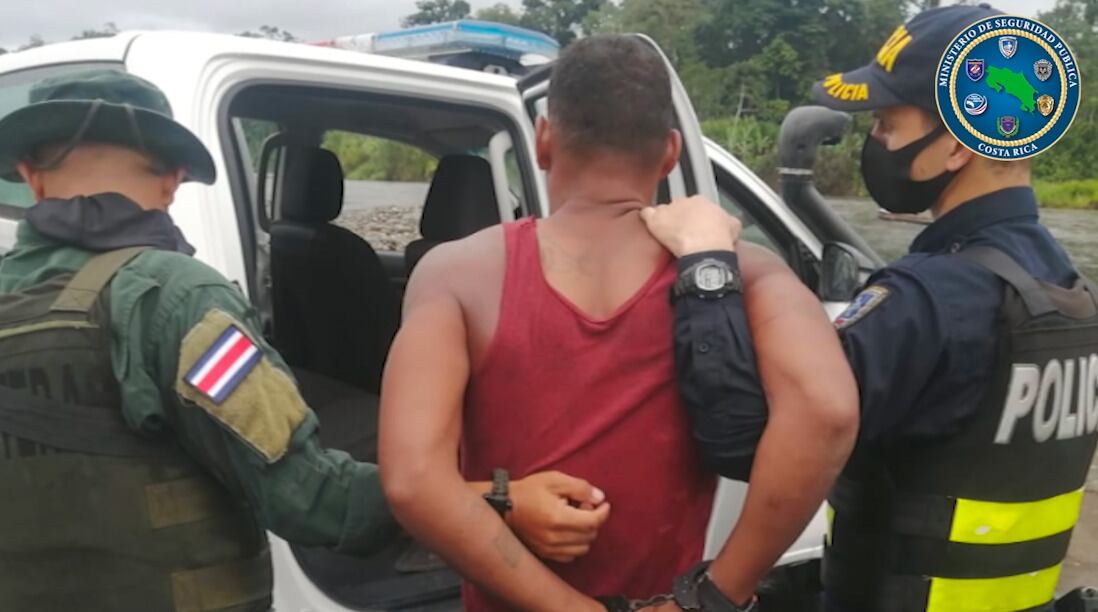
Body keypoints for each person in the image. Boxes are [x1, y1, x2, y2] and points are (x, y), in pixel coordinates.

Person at [378, 34, 858, 612]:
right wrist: (715, 594)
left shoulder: (454, 274)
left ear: (543, 141)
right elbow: (827, 411)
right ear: (671, 152)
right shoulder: (746, 273)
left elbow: (412, 480)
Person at [643, 5, 1098, 611]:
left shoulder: (928, 302)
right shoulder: (1068, 291)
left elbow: (748, 441)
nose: (876, 142)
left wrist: (708, 267)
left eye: (887, 123)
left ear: (957, 145)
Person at [0, 69, 397, 611]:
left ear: (31, 177)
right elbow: (308, 498)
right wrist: (462, 498)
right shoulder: (180, 299)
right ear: (173, 179)